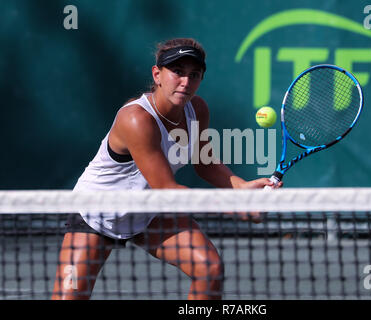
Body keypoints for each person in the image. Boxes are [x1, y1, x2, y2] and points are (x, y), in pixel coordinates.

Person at [52, 38, 282, 300]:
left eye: (194, 75)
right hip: (97, 212)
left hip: (148, 213)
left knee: (209, 268)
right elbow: (167, 190)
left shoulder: (197, 110)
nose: (185, 81)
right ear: (157, 74)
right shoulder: (136, 119)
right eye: (178, 72)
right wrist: (235, 206)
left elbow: (205, 163)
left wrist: (240, 186)